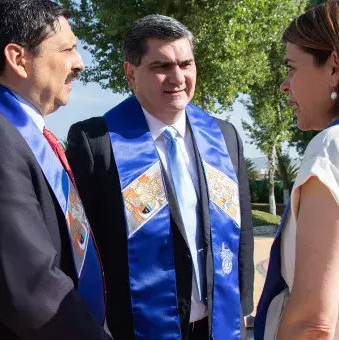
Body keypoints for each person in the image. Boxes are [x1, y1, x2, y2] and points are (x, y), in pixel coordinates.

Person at [66, 14, 254, 340]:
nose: (177, 77)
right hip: (136, 326)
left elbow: (243, 228)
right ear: (130, 73)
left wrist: (243, 303)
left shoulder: (224, 137)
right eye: (161, 66)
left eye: (186, 64)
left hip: (218, 322)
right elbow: (81, 250)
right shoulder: (95, 143)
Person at [0, 1, 111, 339]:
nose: (80, 64)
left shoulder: (30, 137)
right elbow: (32, 290)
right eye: (69, 49)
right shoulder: (3, 140)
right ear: (19, 59)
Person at [255, 1, 339, 339]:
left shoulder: (330, 147)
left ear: (334, 67)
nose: (285, 85)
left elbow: (312, 322)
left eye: (292, 68)